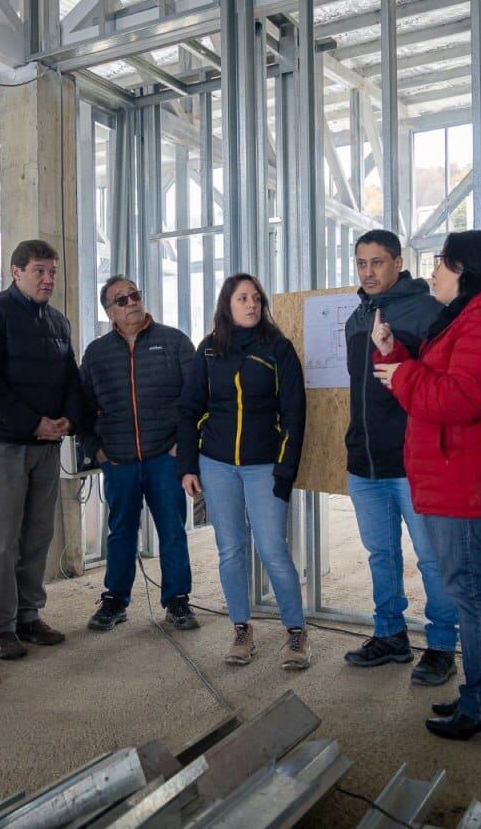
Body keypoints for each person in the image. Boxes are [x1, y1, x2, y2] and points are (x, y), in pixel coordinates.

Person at [372, 229, 481, 744]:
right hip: (462, 480)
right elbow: (443, 375)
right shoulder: (475, 319)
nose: (433, 274)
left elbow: (461, 398)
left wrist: (401, 374)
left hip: (472, 486)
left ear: (466, 269)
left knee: (474, 596)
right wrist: (397, 351)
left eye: (441, 264)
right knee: (474, 594)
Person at [343, 229, 460, 687]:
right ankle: (390, 634)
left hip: (413, 463)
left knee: (432, 558)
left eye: (376, 262)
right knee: (381, 555)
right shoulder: (357, 317)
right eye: (360, 263)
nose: (368, 272)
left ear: (397, 263)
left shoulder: (428, 311)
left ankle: (441, 645)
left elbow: (440, 387)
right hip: (365, 463)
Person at [177, 273, 309, 669]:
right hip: (216, 465)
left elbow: (294, 414)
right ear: (227, 306)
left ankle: (296, 631)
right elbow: (188, 409)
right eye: (242, 298)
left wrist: (285, 470)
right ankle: (241, 628)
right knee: (230, 550)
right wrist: (187, 464)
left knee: (272, 549)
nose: (251, 305)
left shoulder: (278, 349)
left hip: (264, 466)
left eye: (256, 298)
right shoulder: (208, 351)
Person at [0, 239, 80, 660]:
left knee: (38, 533)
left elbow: (72, 378)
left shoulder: (57, 322)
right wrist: (32, 422)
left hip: (47, 445)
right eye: (39, 270)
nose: (48, 279)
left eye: (52, 271)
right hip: (3, 443)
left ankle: (28, 615)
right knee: (2, 538)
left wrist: (67, 420)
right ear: (15, 272)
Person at [79, 276, 199, 631]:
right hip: (119, 460)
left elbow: (196, 397)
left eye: (135, 295)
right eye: (121, 300)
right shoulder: (96, 353)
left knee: (172, 530)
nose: (131, 302)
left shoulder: (174, 342)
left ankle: (178, 601)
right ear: (109, 312)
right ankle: (115, 599)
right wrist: (95, 450)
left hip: (166, 456)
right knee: (121, 531)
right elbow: (82, 406)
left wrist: (184, 446)